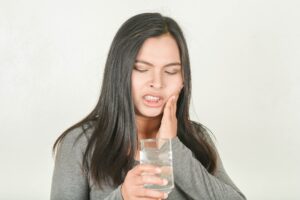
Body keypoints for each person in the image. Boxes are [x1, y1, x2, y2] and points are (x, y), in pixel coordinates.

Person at [50, 12, 246, 200]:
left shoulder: (197, 138)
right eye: (142, 69)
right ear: (120, 73)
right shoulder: (80, 144)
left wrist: (171, 148)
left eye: (171, 71)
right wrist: (123, 196)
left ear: (183, 80)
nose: (157, 83)